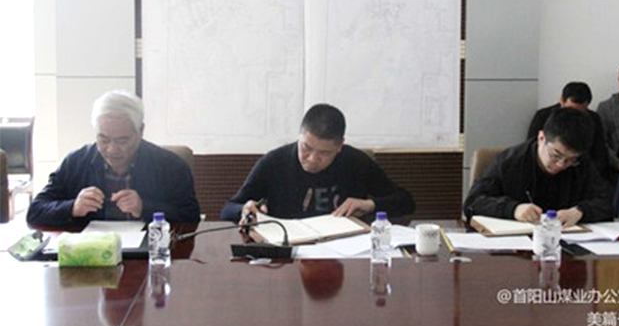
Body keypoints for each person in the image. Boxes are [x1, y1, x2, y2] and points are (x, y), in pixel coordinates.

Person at [27, 90, 201, 227]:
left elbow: (191, 216)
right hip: (90, 254)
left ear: (140, 131)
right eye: (103, 140)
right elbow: (35, 211)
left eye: (122, 141)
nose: (111, 149)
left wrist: (144, 207)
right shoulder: (76, 162)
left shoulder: (170, 166)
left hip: (148, 253)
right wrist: (72, 207)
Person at [220, 103, 415, 225]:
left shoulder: (356, 162)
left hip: (344, 252)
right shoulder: (273, 162)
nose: (312, 159)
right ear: (300, 135)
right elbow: (228, 209)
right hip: (287, 253)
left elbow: (406, 202)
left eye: (324, 153)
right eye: (306, 147)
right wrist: (244, 209)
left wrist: (369, 205)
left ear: (339, 146)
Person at [464, 108, 612, 227]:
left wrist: (581, 212)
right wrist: (513, 209)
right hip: (516, 246)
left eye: (570, 160)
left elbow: (606, 201)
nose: (561, 164)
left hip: (565, 243)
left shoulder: (581, 163)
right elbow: (473, 202)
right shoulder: (509, 162)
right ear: (541, 138)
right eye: (556, 155)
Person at [527, 82, 609, 182]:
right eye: (570, 109)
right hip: (546, 170)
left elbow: (600, 153)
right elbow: (532, 147)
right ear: (562, 100)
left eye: (580, 112)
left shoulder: (593, 119)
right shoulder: (543, 116)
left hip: (581, 171)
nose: (574, 115)